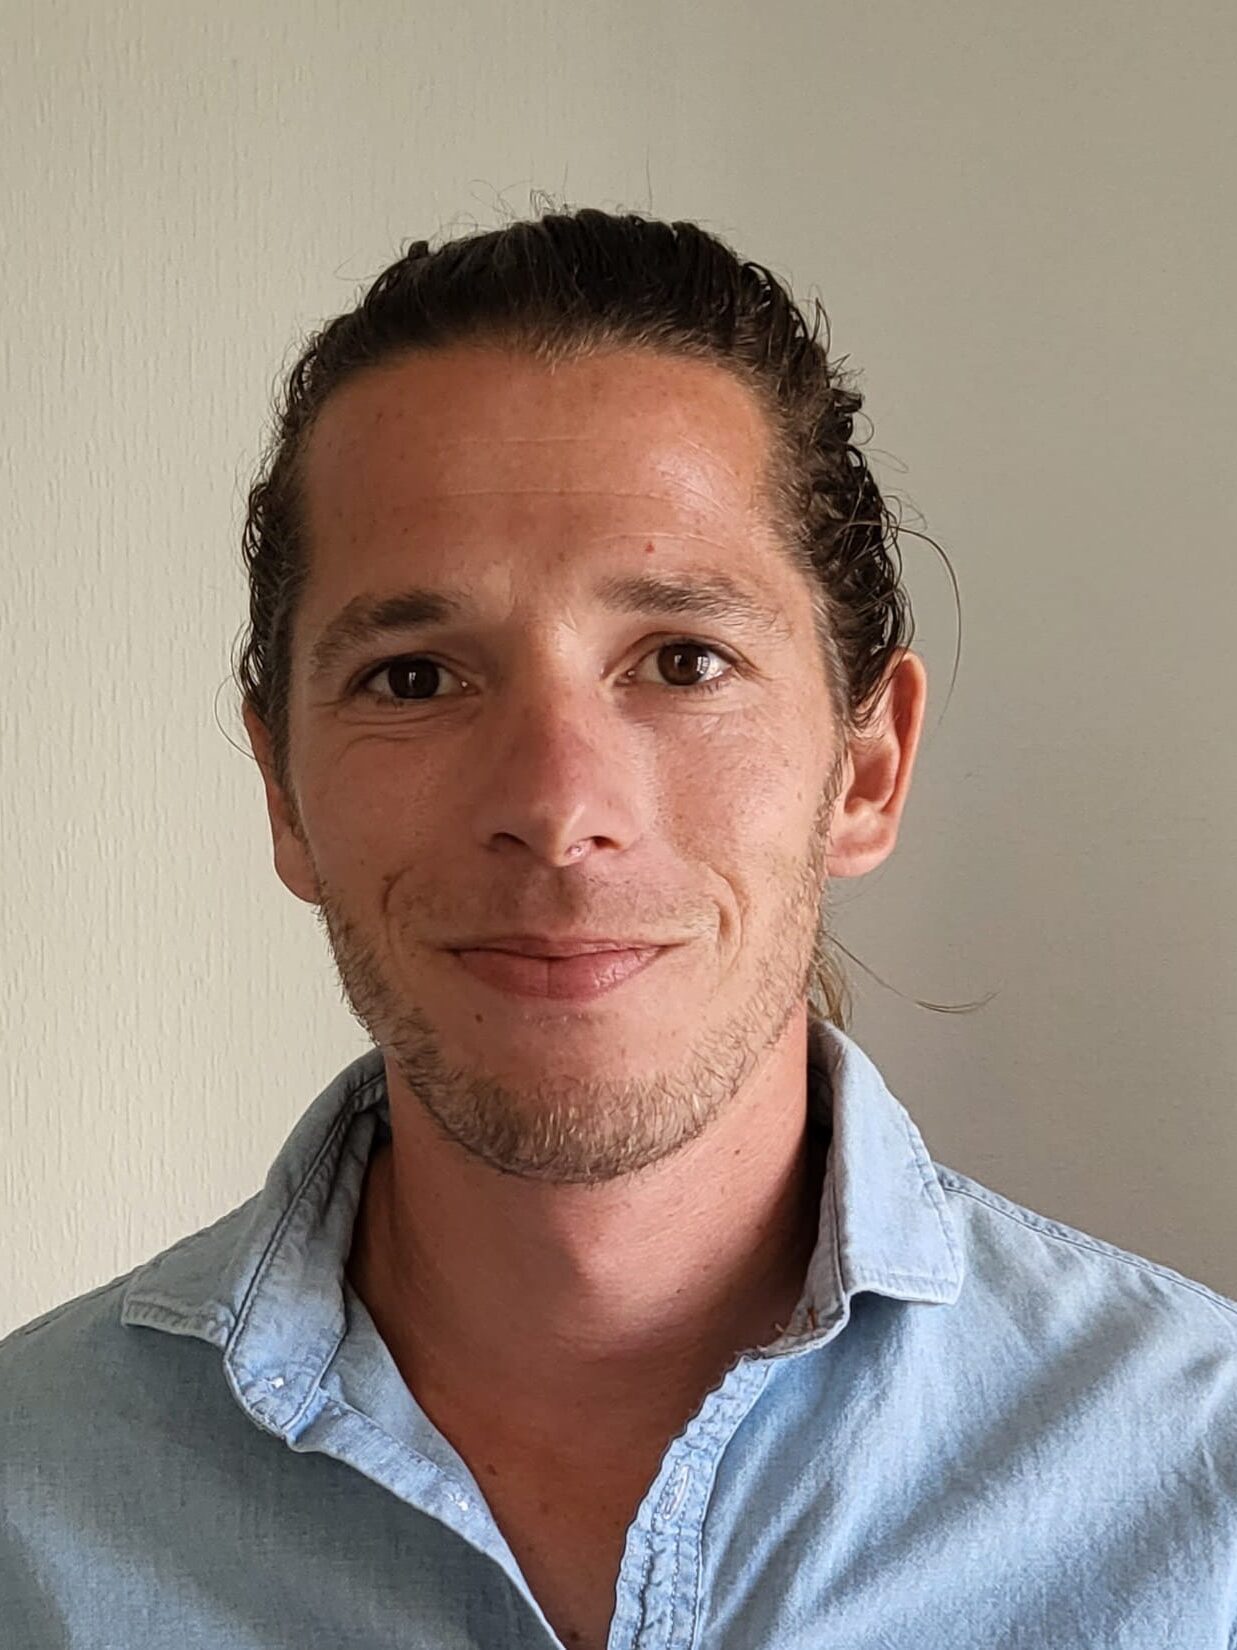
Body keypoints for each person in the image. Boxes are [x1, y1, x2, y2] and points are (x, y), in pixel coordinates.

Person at [3, 207, 1235, 1650]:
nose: (555, 805)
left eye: (683, 659)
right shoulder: (31, 1508)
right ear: (283, 788)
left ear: (868, 767)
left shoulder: (1203, 1492)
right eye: (415, 678)